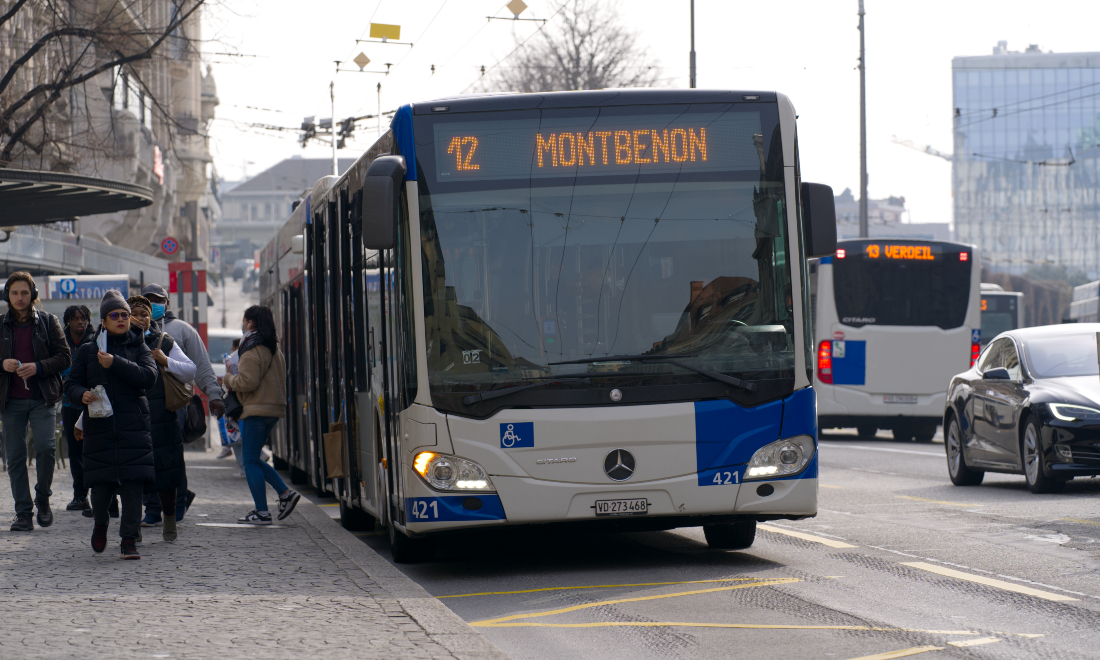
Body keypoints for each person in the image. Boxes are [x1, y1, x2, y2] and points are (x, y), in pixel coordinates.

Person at [65, 290, 158, 559]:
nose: (121, 319)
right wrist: (79, 394)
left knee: (132, 486)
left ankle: (129, 539)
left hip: (133, 427)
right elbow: (70, 383)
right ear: (104, 320)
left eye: (125, 315)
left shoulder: (140, 346)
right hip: (100, 428)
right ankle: (101, 524)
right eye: (114, 315)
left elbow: (148, 377)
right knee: (101, 485)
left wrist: (115, 363)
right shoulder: (88, 351)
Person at [139, 283, 224, 526]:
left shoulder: (182, 331)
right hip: (141, 406)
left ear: (167, 304)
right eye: (148, 300)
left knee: (171, 456)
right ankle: (154, 507)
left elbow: (201, 366)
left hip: (173, 406)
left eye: (158, 300)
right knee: (145, 456)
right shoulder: (130, 332)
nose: (154, 305)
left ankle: (175, 503)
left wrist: (214, 395)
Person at [0, 271, 71, 532]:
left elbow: (65, 358)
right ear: (7, 295)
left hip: (43, 398)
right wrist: (1, 364)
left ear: (33, 296)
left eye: (24, 293)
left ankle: (43, 496)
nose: (19, 298)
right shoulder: (0, 324)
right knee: (16, 458)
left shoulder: (48, 322)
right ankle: (23, 512)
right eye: (14, 292)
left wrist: (38, 367)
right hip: (11, 402)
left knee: (45, 448)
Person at [223, 305, 299, 524]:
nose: (243, 324)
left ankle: (263, 511)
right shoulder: (274, 348)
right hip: (272, 410)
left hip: (255, 410)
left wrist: (227, 379)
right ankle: (285, 494)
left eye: (244, 320)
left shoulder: (251, 349)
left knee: (249, 461)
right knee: (253, 458)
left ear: (250, 323)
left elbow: (247, 382)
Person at [128, 295, 195, 543]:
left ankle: (168, 519)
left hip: (162, 418)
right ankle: (134, 525)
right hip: (131, 418)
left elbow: (190, 370)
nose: (139, 318)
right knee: (132, 475)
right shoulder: (114, 342)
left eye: (144, 314)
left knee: (166, 473)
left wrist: (165, 360)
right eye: (133, 313)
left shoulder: (164, 341)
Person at [60, 304, 95, 512]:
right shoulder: (59, 342)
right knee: (74, 453)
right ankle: (80, 496)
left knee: (93, 451)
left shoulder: (95, 340)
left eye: (83, 318)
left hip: (92, 405)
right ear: (68, 321)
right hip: (68, 404)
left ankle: (103, 497)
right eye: (75, 318)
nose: (80, 322)